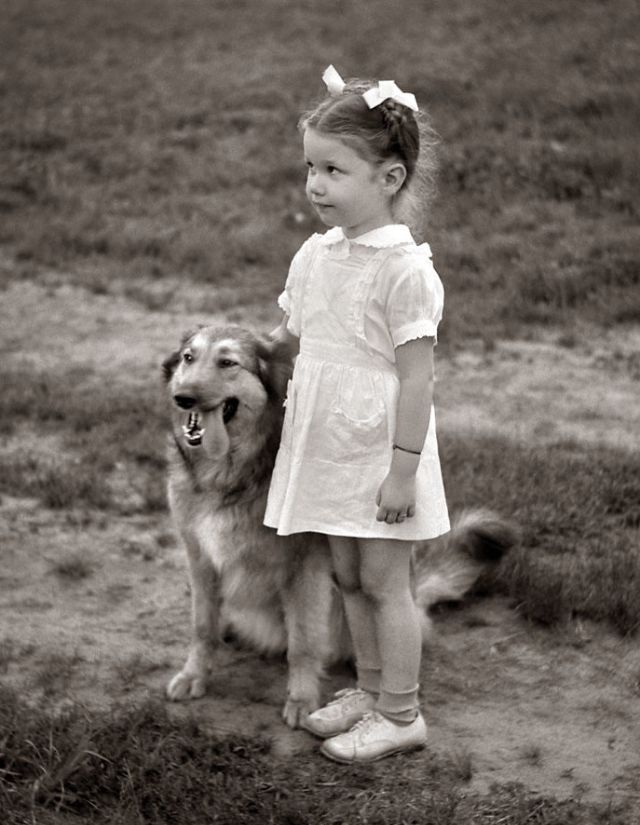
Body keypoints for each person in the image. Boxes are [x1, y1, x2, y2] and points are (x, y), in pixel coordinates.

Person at [264, 65, 450, 763]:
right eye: (310, 167)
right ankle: (370, 691)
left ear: (390, 178)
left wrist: (403, 472)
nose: (315, 184)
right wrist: (250, 347)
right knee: (345, 575)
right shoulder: (317, 255)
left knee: (383, 580)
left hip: (380, 453)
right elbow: (292, 332)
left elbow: (417, 379)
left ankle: (402, 713)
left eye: (334, 170)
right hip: (330, 448)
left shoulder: (405, 272)